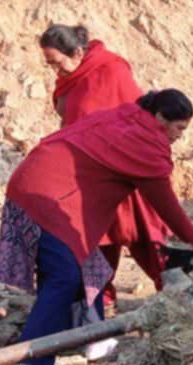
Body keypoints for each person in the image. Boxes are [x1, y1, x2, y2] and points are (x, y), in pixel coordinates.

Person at [2, 89, 193, 365]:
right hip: (46, 196)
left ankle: (93, 338)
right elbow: (164, 203)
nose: (180, 136)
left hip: (40, 183)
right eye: (179, 128)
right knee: (64, 277)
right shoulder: (145, 143)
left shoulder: (127, 118)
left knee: (92, 266)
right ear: (160, 118)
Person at [40, 23, 171, 317]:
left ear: (76, 52)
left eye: (57, 63)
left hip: (126, 171)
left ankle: (178, 294)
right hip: (89, 176)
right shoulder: (69, 79)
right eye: (49, 65)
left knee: (145, 236)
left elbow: (140, 118)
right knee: (98, 242)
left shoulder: (112, 70)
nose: (55, 71)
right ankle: (100, 302)